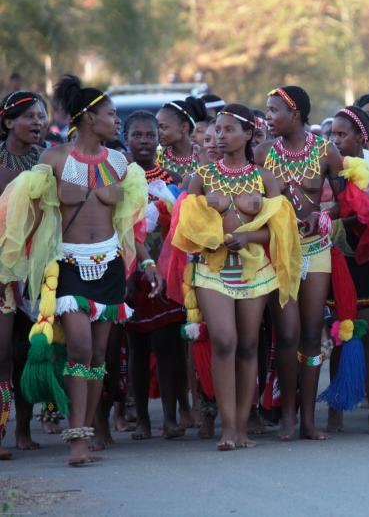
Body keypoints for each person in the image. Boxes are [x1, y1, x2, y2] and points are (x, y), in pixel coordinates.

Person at [0, 75, 159, 465]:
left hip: (109, 267)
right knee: (79, 348)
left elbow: (129, 224)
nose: (116, 121)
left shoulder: (121, 164)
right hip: (67, 266)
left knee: (99, 356)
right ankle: (75, 439)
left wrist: (148, 261)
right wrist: (13, 268)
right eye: (110, 114)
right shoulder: (52, 160)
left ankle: (85, 433)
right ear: (88, 118)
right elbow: (24, 218)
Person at [170, 103, 299, 450]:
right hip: (212, 269)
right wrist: (213, 235)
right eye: (218, 130)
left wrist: (248, 237)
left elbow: (282, 232)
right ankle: (228, 427)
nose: (221, 136)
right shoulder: (203, 176)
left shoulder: (265, 178)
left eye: (229, 130)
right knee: (224, 340)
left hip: (255, 270)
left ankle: (242, 425)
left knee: (248, 344)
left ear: (248, 135)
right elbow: (186, 228)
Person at [256, 86, 343, 441]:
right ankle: (287, 415)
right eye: (266, 110)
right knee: (287, 334)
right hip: (280, 252)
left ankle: (308, 419)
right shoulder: (261, 153)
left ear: (296, 113)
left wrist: (321, 216)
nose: (268, 117)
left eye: (274, 110)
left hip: (316, 249)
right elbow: (252, 201)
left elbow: (344, 202)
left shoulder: (327, 151)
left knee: (310, 334)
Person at [122, 111, 190, 440]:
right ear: (126, 139)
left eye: (151, 135)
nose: (145, 141)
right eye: (138, 135)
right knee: (136, 346)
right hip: (130, 270)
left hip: (164, 271)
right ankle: (142, 420)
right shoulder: (117, 176)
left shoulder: (173, 179)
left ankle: (171, 417)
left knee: (167, 346)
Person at [322, 106, 369, 434]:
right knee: (340, 332)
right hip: (338, 255)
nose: (335, 140)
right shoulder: (327, 164)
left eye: (342, 134)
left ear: (361, 137)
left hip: (367, 254)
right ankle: (337, 410)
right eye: (332, 134)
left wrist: (333, 217)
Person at [0, 90, 48, 458]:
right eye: (30, 116)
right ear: (9, 122)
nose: (38, 123)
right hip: (2, 270)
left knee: (29, 349)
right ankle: (2, 427)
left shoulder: (46, 160)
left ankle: (23, 429)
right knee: (2, 353)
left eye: (42, 116)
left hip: (36, 268)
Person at [157, 96, 207, 177]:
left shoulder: (205, 157)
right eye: (156, 127)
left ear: (184, 127)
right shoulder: (155, 158)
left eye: (163, 127)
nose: (158, 132)